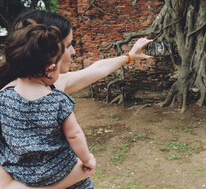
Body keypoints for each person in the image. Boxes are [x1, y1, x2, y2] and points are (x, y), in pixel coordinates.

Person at [0, 10, 152, 189]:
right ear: (46, 51)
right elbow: (6, 185)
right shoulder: (6, 99)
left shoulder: (45, 85)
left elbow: (96, 69)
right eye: (68, 45)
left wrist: (129, 57)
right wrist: (75, 175)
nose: (73, 52)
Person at [0, 24, 96, 188]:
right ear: (50, 69)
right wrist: (87, 159)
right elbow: (74, 135)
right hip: (60, 171)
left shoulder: (3, 98)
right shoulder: (57, 100)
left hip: (23, 176)